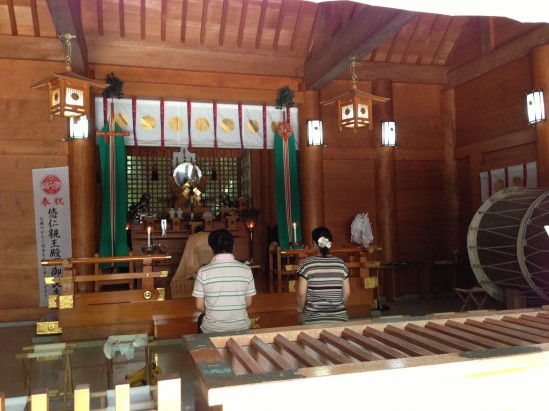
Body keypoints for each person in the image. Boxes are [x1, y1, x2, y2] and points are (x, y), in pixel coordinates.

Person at [192, 229, 256, 333]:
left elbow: (199, 306)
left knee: (201, 319)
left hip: (212, 329)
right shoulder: (246, 270)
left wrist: (212, 312)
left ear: (211, 249)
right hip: (241, 327)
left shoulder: (203, 272)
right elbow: (248, 303)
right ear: (233, 247)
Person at [296, 226, 350, 324]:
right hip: (339, 319)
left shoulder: (307, 264)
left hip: (314, 319)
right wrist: (337, 307)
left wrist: (300, 311)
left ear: (315, 244)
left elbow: (301, 292)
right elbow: (347, 292)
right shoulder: (340, 264)